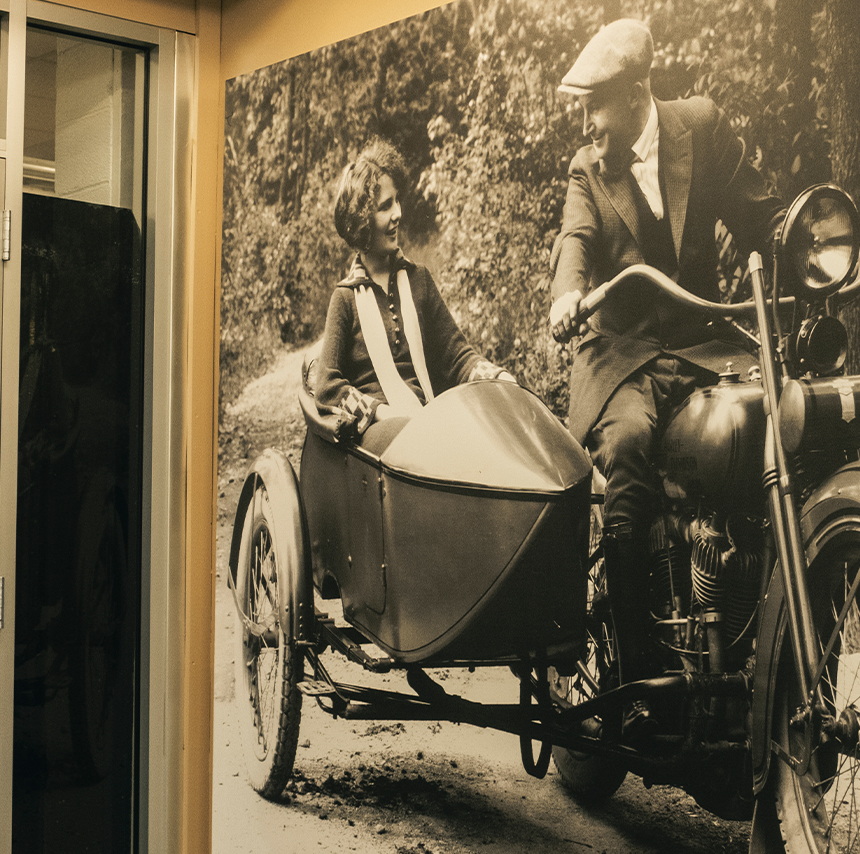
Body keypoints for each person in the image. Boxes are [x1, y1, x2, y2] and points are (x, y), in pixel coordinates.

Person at [546, 19, 783, 713]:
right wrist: (567, 294)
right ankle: (638, 681)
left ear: (635, 94)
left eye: (595, 105)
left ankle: (751, 626)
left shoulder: (700, 128)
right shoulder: (588, 167)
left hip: (701, 342)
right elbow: (574, 239)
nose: (586, 123)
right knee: (627, 449)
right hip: (620, 354)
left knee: (774, 417)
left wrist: (808, 249)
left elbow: (763, 217)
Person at [312, 139, 511, 453]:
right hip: (379, 437)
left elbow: (458, 356)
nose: (398, 214)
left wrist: (499, 378)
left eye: (397, 201)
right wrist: (379, 412)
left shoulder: (420, 281)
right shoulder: (345, 299)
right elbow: (326, 386)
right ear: (362, 221)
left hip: (427, 420)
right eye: (385, 206)